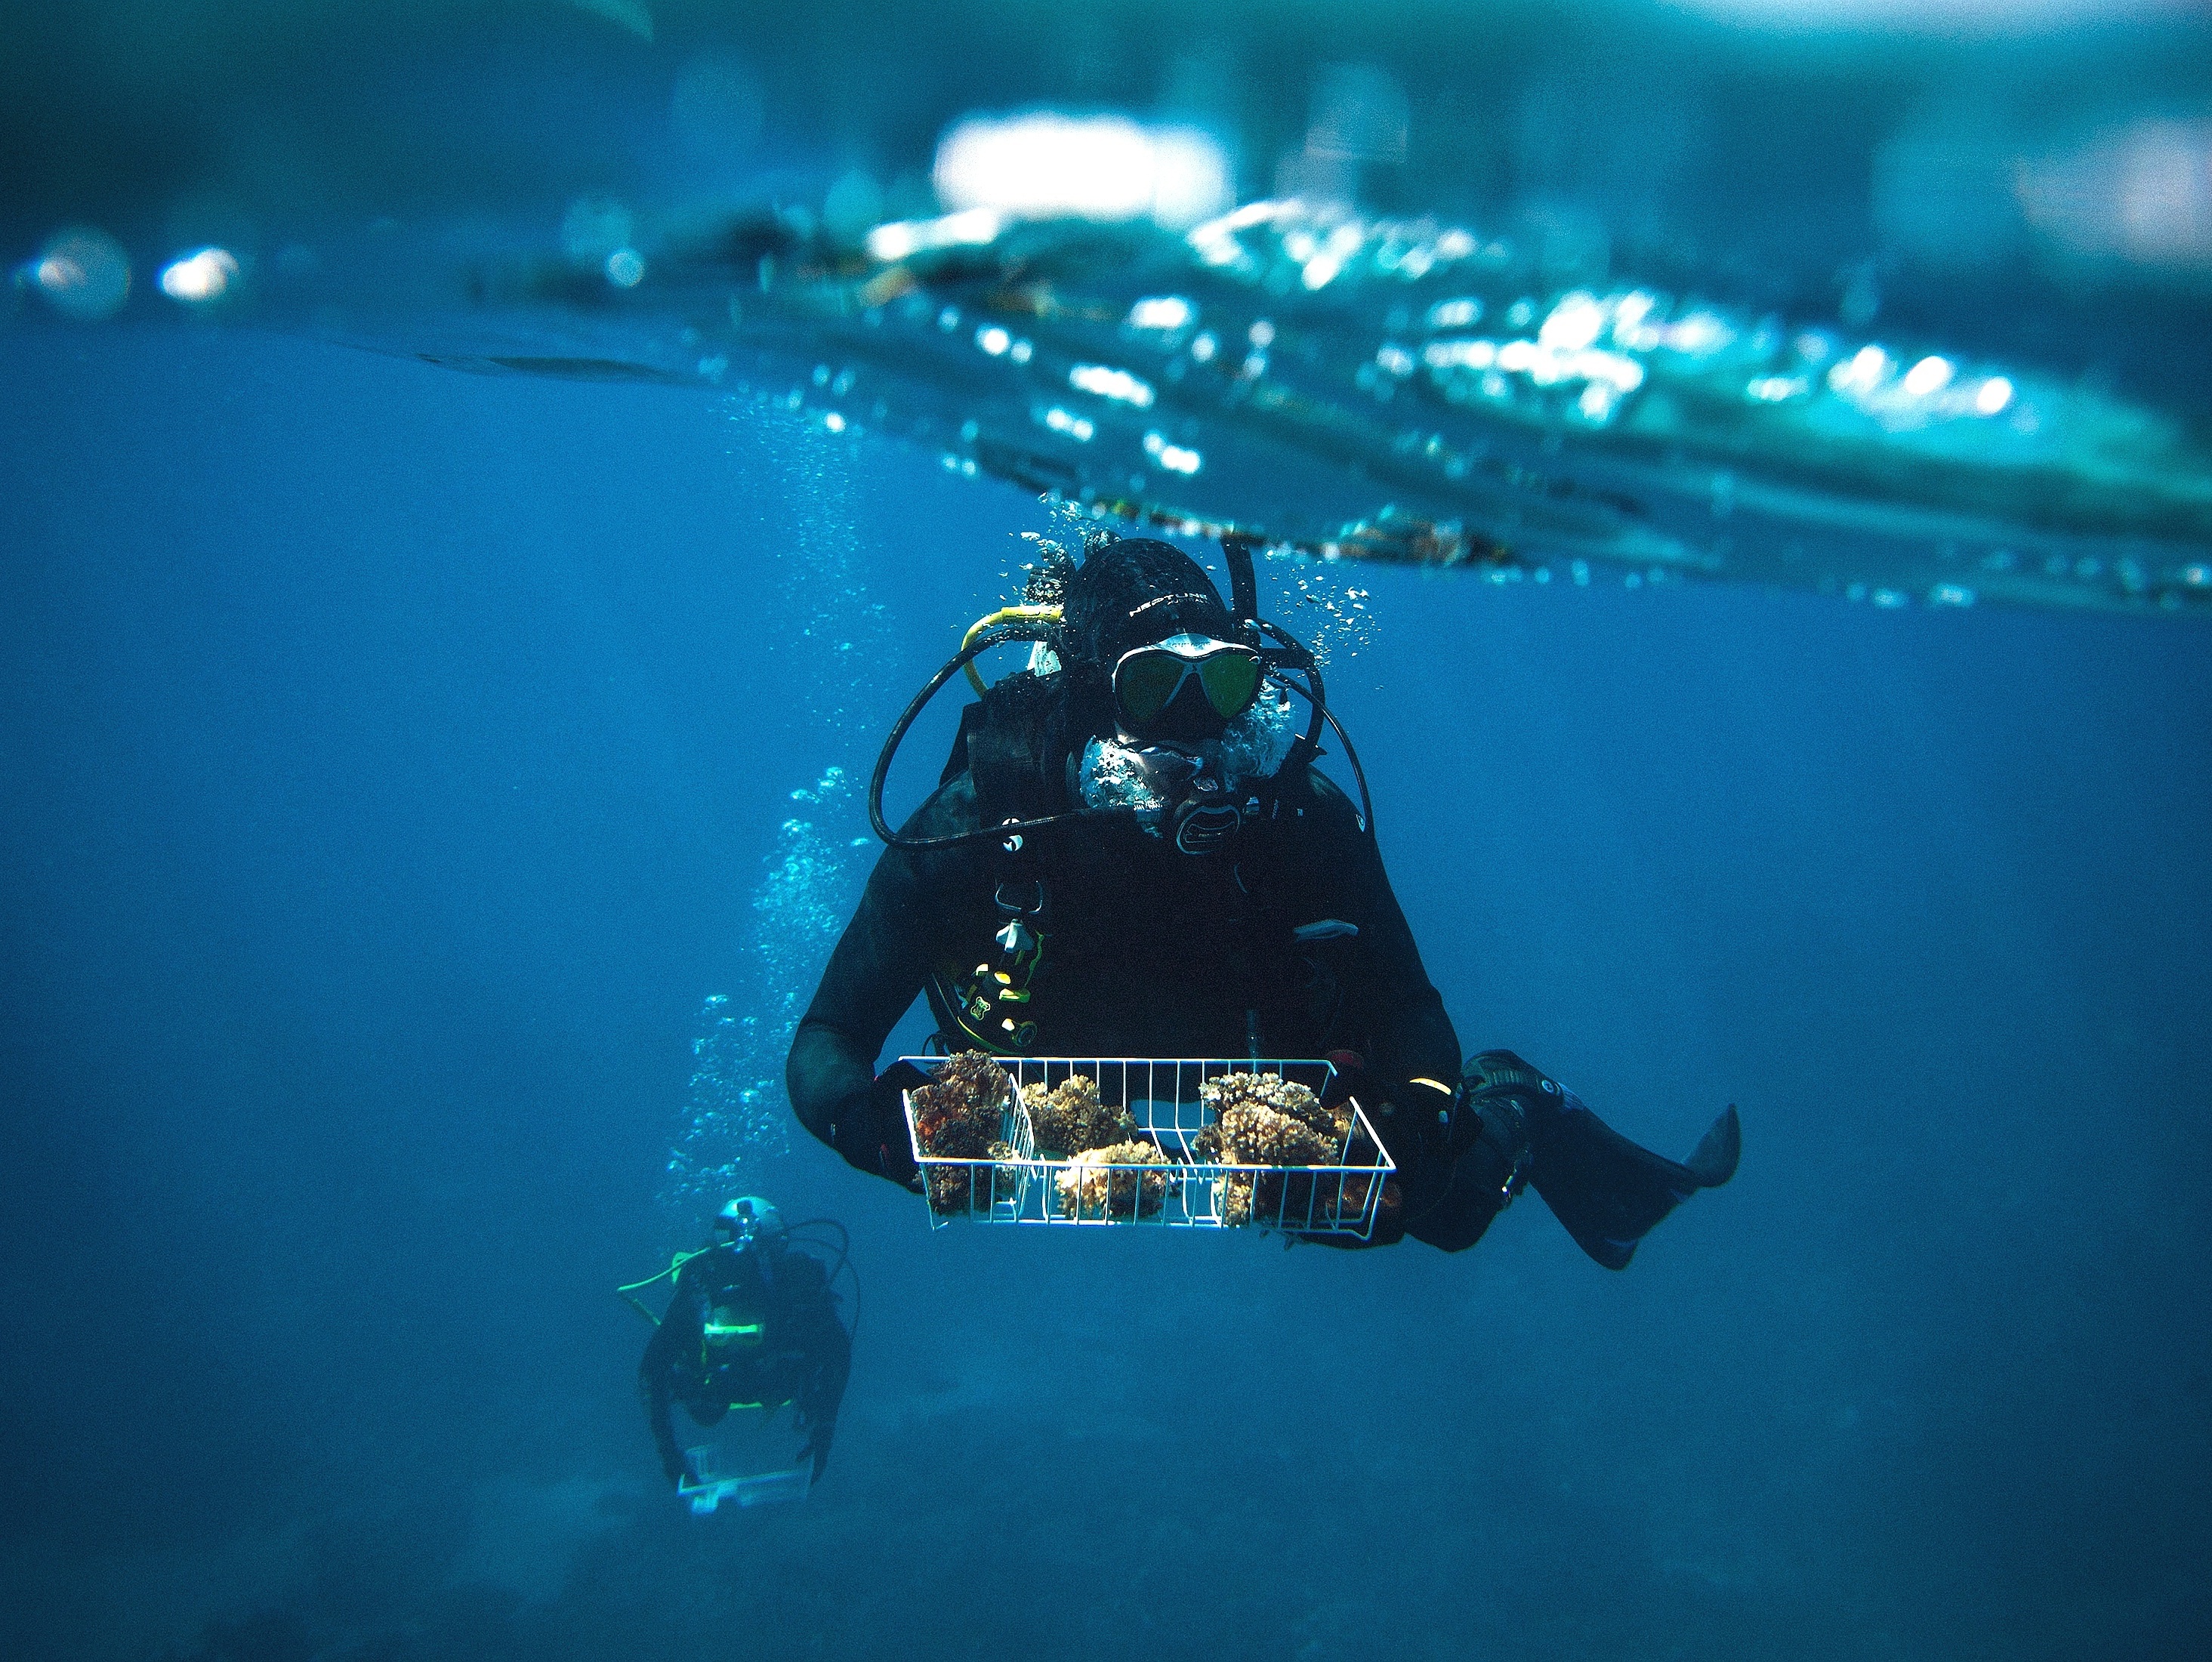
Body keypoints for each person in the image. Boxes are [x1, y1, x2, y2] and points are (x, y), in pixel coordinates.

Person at [787, 535, 1737, 1260]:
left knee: (1436, 1214)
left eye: (1226, 681)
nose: (1199, 729)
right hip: (1038, 1080)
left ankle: (1518, 1102)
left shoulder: (1295, 818)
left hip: (1264, 1071)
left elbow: (1407, 1001)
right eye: (1158, 685)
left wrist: (1418, 1097)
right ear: (1087, 696)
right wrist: (862, 1124)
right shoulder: (979, 823)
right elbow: (827, 1038)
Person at [636, 1197, 851, 1491]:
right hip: (716, 1390)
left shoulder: (799, 1284)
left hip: (776, 1382)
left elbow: (836, 1353)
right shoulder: (700, 1284)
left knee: (711, 1409)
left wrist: (824, 1429)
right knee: (706, 1412)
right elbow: (653, 1369)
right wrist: (670, 1456)